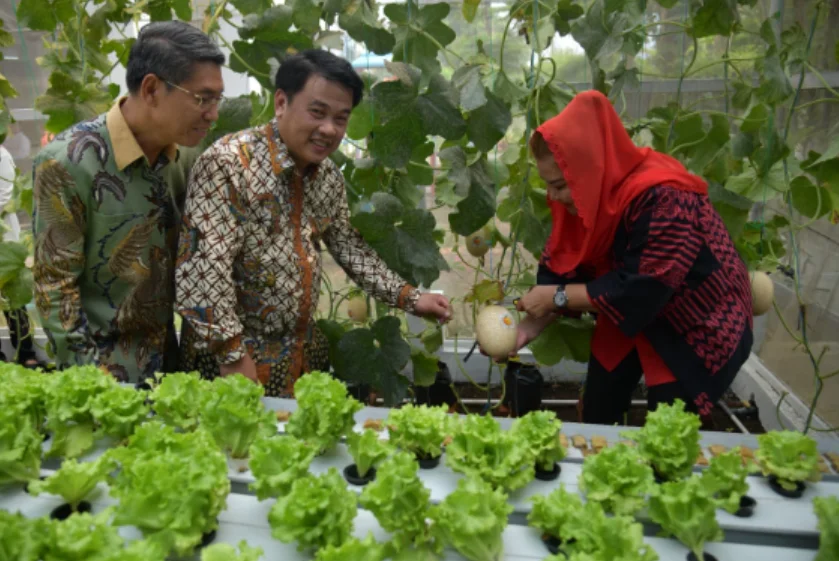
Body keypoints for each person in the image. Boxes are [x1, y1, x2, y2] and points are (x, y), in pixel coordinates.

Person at [176, 49, 451, 396]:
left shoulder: (328, 178)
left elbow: (348, 246)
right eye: (317, 112)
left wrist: (410, 298)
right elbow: (202, 271)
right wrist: (231, 356)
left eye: (341, 118)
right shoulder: (228, 164)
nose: (329, 129)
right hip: (231, 365)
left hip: (300, 359)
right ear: (281, 103)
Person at [511, 90, 753, 424]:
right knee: (599, 403)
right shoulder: (586, 193)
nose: (551, 195)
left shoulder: (665, 197)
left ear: (589, 171)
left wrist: (556, 297)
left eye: (559, 186)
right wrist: (522, 331)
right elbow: (565, 271)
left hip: (695, 321)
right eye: (547, 184)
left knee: (670, 423)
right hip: (624, 303)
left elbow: (643, 288)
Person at [32, 21, 225, 382]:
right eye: (202, 98)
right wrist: (94, 389)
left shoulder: (183, 157)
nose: (213, 113)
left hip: (171, 371)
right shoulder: (70, 162)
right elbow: (55, 291)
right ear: (151, 89)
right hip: (101, 377)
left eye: (217, 99)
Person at [0, 145, 40, 368]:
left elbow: (4, 196)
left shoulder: (2, 154)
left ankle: (26, 352)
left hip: (4, 239)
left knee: (14, 297)